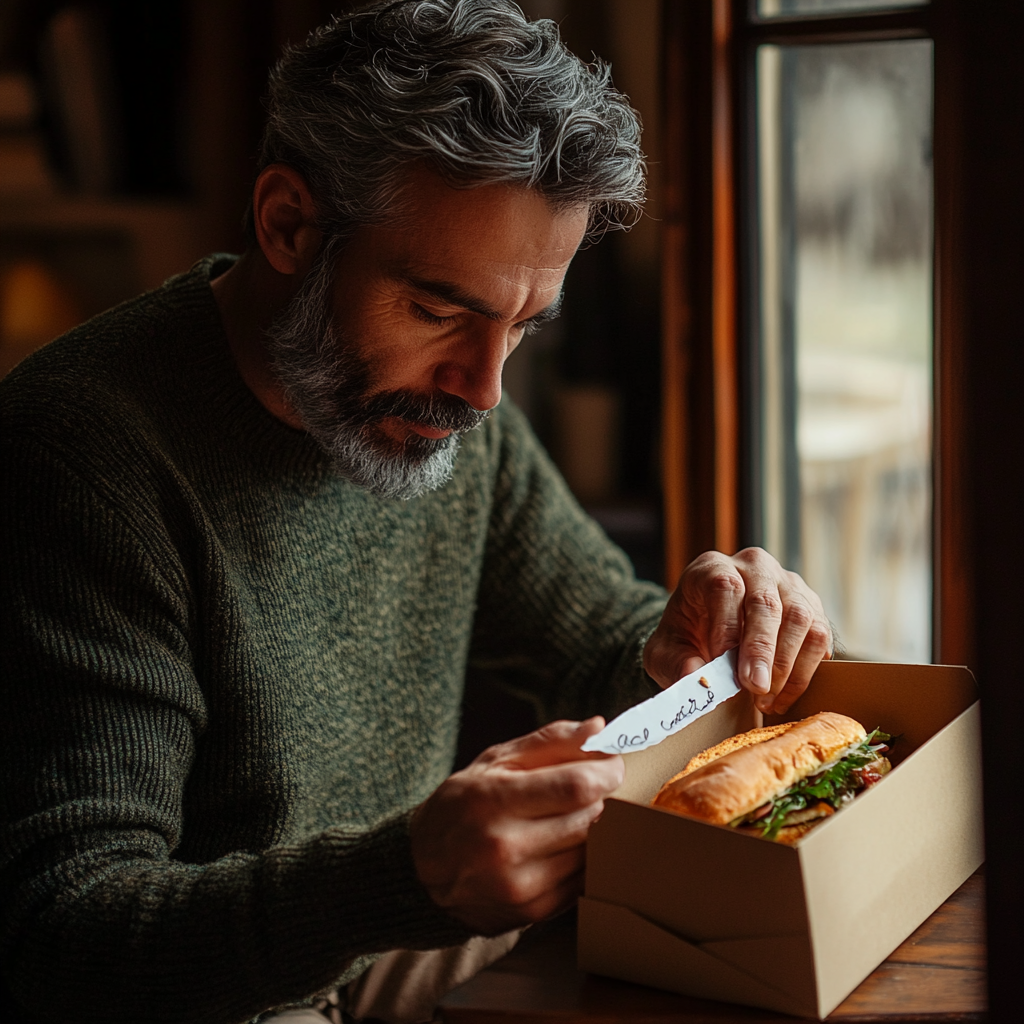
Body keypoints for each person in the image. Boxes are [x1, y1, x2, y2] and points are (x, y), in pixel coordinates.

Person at [0, 3, 832, 1022]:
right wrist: (401, 877)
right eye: (440, 310)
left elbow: (599, 648)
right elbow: (61, 933)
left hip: (383, 932)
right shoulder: (81, 456)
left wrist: (692, 644)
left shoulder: (439, 407)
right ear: (288, 225)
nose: (484, 389)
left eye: (521, 325)